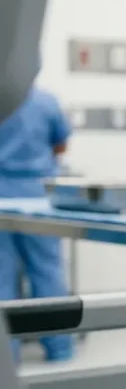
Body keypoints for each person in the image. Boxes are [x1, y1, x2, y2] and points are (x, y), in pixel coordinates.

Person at [0, 84, 74, 362]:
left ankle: (7, 355)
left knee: (2, 280)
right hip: (38, 199)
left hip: (1, 199)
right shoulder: (45, 102)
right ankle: (59, 348)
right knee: (47, 274)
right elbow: (61, 145)